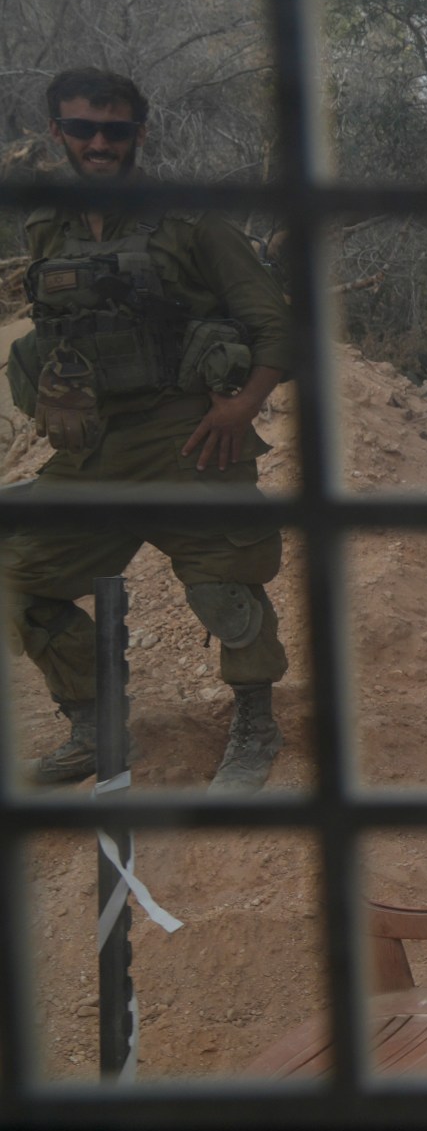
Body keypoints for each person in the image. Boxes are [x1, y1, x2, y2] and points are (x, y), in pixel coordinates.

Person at [6, 68, 295, 792]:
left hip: (190, 439)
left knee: (224, 586)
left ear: (139, 131)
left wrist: (241, 407)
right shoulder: (46, 226)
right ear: (57, 134)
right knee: (23, 579)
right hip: (92, 449)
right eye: (82, 129)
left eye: (115, 129)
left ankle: (255, 726)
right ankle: (93, 729)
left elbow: (275, 326)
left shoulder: (190, 221)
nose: (99, 143)